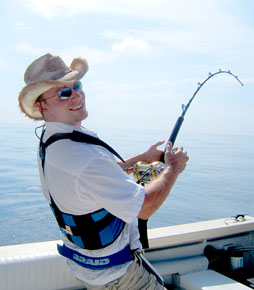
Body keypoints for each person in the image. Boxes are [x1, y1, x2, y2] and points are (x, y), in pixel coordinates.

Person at [18, 53, 189, 290]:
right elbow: (145, 207)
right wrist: (172, 169)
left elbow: (96, 179)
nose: (76, 95)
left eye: (76, 86)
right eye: (63, 92)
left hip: (88, 269)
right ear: (41, 104)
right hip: (120, 277)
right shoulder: (85, 159)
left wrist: (142, 159)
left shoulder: (52, 142)